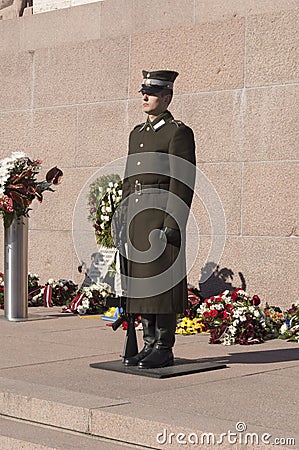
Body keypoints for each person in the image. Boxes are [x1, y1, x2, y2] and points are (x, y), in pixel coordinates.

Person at [118, 70, 196, 369]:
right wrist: (122, 218)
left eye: (151, 92)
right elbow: (128, 179)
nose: (145, 97)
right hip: (138, 220)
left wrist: (173, 224)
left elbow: (183, 181)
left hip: (161, 218)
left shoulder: (177, 132)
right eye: (143, 92)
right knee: (143, 285)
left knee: (162, 285)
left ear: (167, 96)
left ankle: (164, 346)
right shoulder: (137, 133)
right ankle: (148, 343)